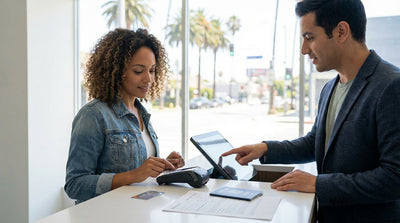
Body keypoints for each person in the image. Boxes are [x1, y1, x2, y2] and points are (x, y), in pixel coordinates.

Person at [222, 0, 400, 222]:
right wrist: (266, 149)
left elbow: (394, 177)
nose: (304, 50)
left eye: (309, 38)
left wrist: (318, 184)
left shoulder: (391, 85)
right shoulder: (329, 87)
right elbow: (315, 142)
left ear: (341, 32)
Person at [64, 28, 184, 204]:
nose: (149, 79)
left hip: (137, 212)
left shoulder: (141, 113)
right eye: (138, 71)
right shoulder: (93, 115)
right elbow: (75, 184)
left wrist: (163, 166)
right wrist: (134, 175)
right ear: (117, 71)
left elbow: (139, 171)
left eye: (151, 71)